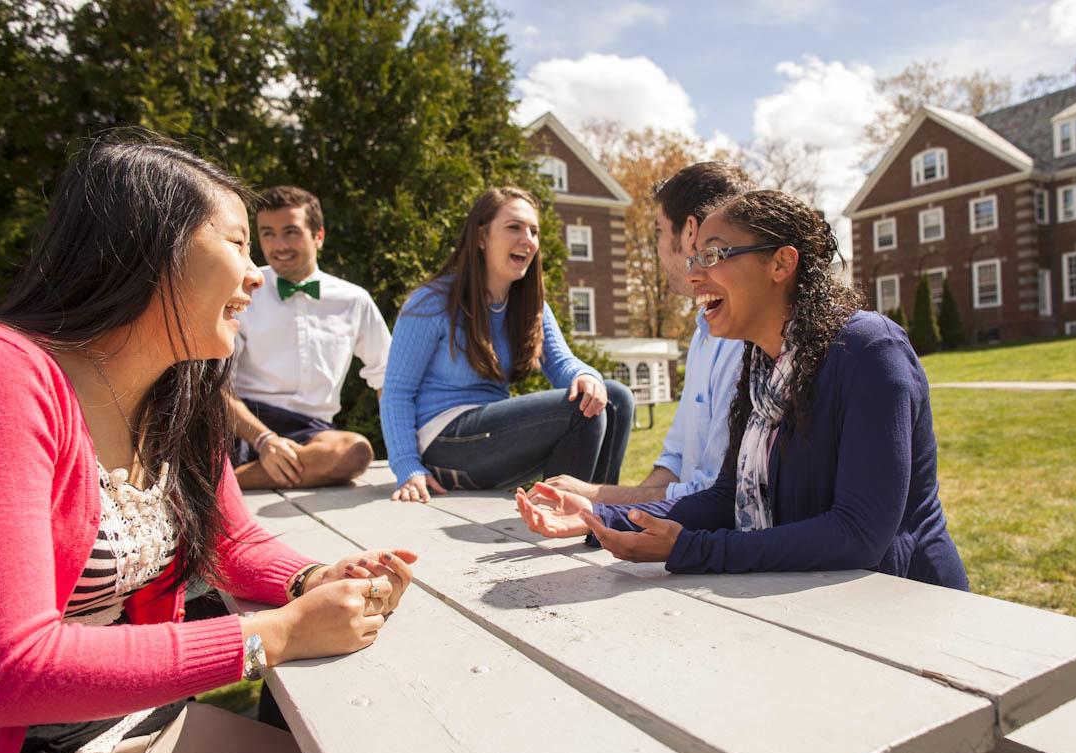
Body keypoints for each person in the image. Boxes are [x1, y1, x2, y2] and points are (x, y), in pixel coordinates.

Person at [0, 135, 418, 753]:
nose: (255, 274)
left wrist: (312, 576)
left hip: (124, 718)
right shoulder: (4, 377)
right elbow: (5, 668)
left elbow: (231, 538)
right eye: (238, 242)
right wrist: (272, 636)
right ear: (150, 245)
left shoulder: (181, 392)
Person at [517, 190, 969, 590]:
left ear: (781, 263)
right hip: (810, 602)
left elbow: (859, 534)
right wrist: (599, 519)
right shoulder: (759, 365)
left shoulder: (870, 351)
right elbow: (726, 497)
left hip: (902, 605)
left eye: (713, 256)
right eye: (693, 259)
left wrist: (693, 551)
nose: (694, 276)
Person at [381, 186, 634, 503]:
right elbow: (397, 391)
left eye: (534, 231)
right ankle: (558, 511)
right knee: (579, 410)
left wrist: (588, 376)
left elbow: (562, 363)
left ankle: (596, 515)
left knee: (614, 399)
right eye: (514, 227)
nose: (527, 239)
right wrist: (407, 467)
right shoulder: (432, 302)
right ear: (481, 237)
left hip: (488, 442)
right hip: (443, 444)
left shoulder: (529, 305)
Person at [544, 162, 753, 504]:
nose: (656, 247)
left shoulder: (743, 339)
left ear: (689, 233)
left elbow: (719, 495)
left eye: (658, 231)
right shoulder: (704, 333)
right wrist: (609, 510)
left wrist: (598, 499)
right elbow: (674, 462)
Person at [229, 185, 391, 490]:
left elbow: (388, 379)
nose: (279, 245)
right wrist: (264, 440)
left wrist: (406, 455)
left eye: (291, 232)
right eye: (267, 233)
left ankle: (230, 483)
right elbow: (215, 386)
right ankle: (272, 469)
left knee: (356, 452)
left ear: (319, 235)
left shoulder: (354, 300)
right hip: (244, 424)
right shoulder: (242, 291)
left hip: (312, 431)